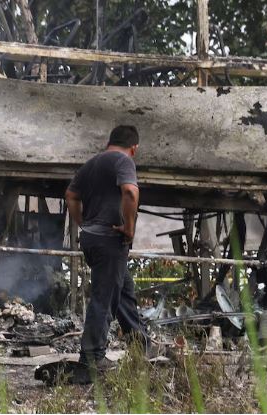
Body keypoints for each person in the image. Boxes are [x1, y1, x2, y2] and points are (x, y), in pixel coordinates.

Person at [65, 125, 152, 368]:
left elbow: (70, 195)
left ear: (109, 141)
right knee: (105, 296)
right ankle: (92, 357)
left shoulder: (91, 164)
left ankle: (141, 345)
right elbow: (130, 193)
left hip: (91, 239)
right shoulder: (123, 161)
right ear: (133, 148)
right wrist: (129, 227)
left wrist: (83, 222)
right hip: (110, 239)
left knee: (123, 291)